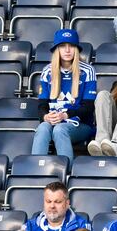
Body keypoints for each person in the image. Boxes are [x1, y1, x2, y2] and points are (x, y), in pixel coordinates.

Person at [29, 29, 98, 158]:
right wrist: (46, 117)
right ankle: (35, 172)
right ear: (57, 50)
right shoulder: (47, 71)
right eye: (62, 46)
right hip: (54, 122)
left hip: (80, 125)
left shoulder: (88, 71)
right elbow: (42, 105)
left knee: (60, 130)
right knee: (43, 127)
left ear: (76, 49)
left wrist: (65, 115)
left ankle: (66, 174)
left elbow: (88, 108)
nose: (67, 50)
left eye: (71, 46)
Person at [21, 183, 91, 231]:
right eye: (48, 201)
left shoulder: (82, 226)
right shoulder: (30, 226)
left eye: (57, 202)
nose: (52, 206)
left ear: (67, 203)